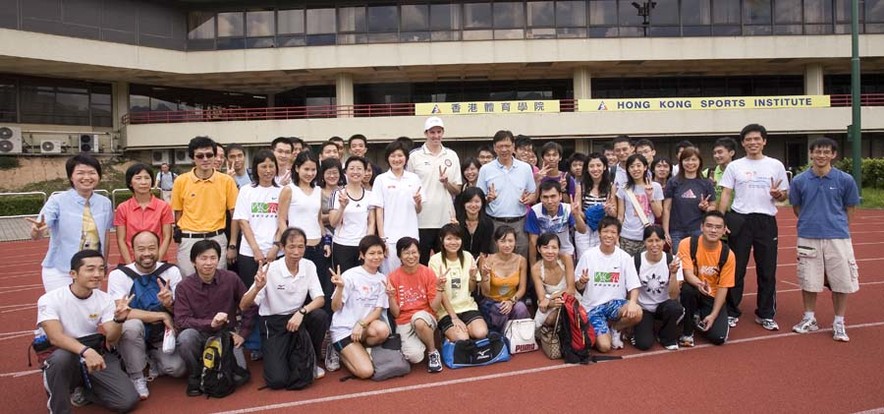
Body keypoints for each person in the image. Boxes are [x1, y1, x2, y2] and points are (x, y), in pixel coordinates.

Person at [38, 249, 140, 413]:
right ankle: (59, 409)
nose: (98, 274)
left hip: (93, 349)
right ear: (73, 273)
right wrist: (85, 351)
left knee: (127, 402)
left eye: (101, 269)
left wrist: (119, 319)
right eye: (90, 269)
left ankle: (85, 390)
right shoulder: (50, 299)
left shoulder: (104, 299)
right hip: (65, 351)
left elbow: (112, 337)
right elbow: (55, 337)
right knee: (59, 360)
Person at [789, 137, 860, 342]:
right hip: (808, 235)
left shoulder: (845, 180)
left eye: (826, 152)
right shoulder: (800, 180)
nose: (821, 155)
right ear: (811, 153)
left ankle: (839, 322)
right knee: (808, 279)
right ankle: (809, 318)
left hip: (837, 237)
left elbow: (850, 209)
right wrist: (812, 221)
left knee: (841, 281)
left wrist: (835, 225)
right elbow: (797, 208)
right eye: (817, 151)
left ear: (833, 155)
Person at [718, 123, 788, 330]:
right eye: (748, 140)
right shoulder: (735, 166)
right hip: (740, 219)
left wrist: (779, 195)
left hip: (765, 221)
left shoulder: (775, 165)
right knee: (736, 269)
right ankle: (731, 311)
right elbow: (726, 194)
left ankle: (765, 313)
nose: (753, 143)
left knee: (767, 269)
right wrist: (721, 221)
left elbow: (784, 194)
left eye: (757, 139)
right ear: (743, 143)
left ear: (764, 141)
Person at [239, 227, 330, 381]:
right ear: (282, 247)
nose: (296, 252)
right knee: (277, 380)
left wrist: (301, 312)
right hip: (273, 322)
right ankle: (285, 356)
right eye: (291, 247)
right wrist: (257, 289)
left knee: (319, 316)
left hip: (297, 317)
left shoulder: (309, 266)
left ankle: (310, 359)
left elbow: (320, 299)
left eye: (301, 247)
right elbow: (243, 305)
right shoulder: (269, 269)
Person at [107, 231, 185, 399]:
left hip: (160, 335)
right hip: (136, 331)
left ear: (159, 248)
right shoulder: (119, 275)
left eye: (152, 248)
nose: (147, 253)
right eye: (141, 249)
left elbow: (182, 311)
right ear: (132, 249)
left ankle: (150, 359)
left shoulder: (171, 271)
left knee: (177, 369)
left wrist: (169, 305)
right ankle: (136, 375)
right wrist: (161, 315)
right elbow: (123, 313)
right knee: (130, 325)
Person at [174, 239, 255, 397]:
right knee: (186, 338)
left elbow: (249, 306)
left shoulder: (231, 278)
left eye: (213, 258)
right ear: (193, 261)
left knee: (239, 375)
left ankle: (212, 367)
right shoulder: (184, 287)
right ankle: (196, 375)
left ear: (219, 259)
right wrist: (209, 323)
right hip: (198, 333)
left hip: (225, 334)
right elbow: (181, 320)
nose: (208, 263)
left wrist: (242, 334)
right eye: (203, 258)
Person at [28, 154, 113, 292]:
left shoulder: (105, 203)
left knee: (90, 311)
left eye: (92, 173)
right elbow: (39, 231)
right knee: (61, 311)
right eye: (80, 173)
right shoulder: (57, 201)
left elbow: (106, 235)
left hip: (93, 270)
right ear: (71, 177)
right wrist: (37, 230)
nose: (87, 177)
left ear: (99, 176)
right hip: (61, 270)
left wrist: (103, 263)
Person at [171, 136, 238, 277]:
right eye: (200, 156)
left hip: (217, 238)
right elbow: (178, 213)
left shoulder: (227, 181)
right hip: (189, 238)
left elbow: (234, 215)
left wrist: (232, 244)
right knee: (188, 282)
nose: (205, 159)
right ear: (192, 158)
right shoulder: (180, 181)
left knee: (217, 283)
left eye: (209, 155)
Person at [574, 216, 643, 353]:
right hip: (593, 308)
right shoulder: (588, 255)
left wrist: (632, 303)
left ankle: (616, 328)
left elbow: (634, 286)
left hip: (615, 304)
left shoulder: (624, 257)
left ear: (618, 235)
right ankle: (600, 328)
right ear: (599, 233)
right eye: (605, 231)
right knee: (605, 347)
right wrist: (582, 282)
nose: (609, 235)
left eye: (613, 232)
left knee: (637, 312)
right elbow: (578, 286)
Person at [327, 235, 391, 379]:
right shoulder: (350, 275)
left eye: (379, 253)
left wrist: (361, 324)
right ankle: (338, 349)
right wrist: (340, 288)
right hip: (344, 329)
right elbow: (335, 308)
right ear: (362, 255)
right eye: (371, 253)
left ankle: (359, 349)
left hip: (362, 328)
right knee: (366, 372)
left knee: (382, 330)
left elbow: (378, 310)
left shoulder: (382, 278)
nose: (376, 257)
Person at [278, 151, 332, 312]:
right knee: (298, 291)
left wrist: (326, 241)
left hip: (318, 246)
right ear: (297, 168)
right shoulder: (289, 190)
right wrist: (289, 244)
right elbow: (281, 219)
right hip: (298, 249)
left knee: (319, 289)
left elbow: (318, 220)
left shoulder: (318, 191)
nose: (310, 173)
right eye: (306, 169)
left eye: (313, 170)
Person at [407, 116, 462, 264]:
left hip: (445, 219)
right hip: (421, 220)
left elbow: (457, 189)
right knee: (421, 262)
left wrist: (446, 183)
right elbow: (408, 186)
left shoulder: (452, 155)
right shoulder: (414, 156)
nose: (436, 136)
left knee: (445, 262)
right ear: (426, 133)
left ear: (443, 133)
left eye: (439, 132)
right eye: (432, 132)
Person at [386, 237, 444, 373]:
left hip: (425, 316)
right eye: (406, 253)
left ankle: (432, 352)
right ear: (399, 256)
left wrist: (440, 288)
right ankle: (422, 339)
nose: (411, 256)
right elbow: (395, 314)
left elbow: (434, 307)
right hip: (404, 320)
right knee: (415, 357)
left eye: (414, 252)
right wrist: (391, 297)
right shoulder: (393, 277)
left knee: (418, 320)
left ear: (419, 253)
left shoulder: (427, 272)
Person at [677, 211, 735, 347]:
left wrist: (714, 315)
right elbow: (687, 273)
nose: (713, 230)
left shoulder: (728, 255)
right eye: (709, 226)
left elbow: (723, 287)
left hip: (712, 296)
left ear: (724, 230)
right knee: (687, 290)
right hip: (694, 290)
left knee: (718, 338)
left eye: (718, 227)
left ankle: (699, 315)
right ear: (701, 227)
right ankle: (687, 331)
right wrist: (699, 284)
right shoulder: (688, 244)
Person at [476, 130, 537, 257]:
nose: (504, 149)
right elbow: (478, 199)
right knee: (496, 259)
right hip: (495, 222)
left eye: (507, 146)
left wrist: (528, 198)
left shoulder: (525, 168)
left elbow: (533, 194)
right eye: (500, 146)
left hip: (519, 222)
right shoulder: (486, 169)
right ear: (494, 148)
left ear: (513, 147)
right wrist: (488, 198)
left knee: (521, 259)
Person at [372, 140, 425, 273]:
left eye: (400, 156)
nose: (397, 159)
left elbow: (418, 210)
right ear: (387, 158)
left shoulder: (414, 178)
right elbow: (379, 210)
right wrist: (382, 238)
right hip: (390, 238)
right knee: (390, 276)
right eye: (393, 156)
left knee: (411, 273)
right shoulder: (381, 179)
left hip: (411, 235)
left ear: (406, 158)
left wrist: (418, 202)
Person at [429, 224, 488, 342]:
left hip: (467, 306)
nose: (453, 242)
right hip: (446, 311)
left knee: (481, 333)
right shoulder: (435, 260)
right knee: (462, 338)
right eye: (449, 239)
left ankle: (462, 331)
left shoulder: (467, 256)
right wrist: (454, 317)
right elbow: (441, 292)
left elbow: (471, 289)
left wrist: (472, 277)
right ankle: (447, 335)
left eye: (457, 238)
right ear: (442, 240)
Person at [232, 149, 281, 288]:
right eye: (263, 166)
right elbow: (243, 222)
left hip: (276, 252)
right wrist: (255, 250)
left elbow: (284, 222)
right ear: (255, 168)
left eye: (271, 166)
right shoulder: (246, 190)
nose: (268, 170)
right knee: (251, 293)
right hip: (249, 253)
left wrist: (276, 247)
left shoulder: (283, 190)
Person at [632, 225, 684, 351]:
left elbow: (673, 295)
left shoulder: (673, 261)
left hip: (664, 306)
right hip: (644, 308)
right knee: (644, 344)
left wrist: (673, 273)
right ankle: (642, 329)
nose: (654, 245)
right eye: (650, 241)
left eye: (658, 240)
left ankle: (666, 336)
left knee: (675, 307)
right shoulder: (636, 260)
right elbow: (631, 289)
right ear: (644, 242)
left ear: (664, 241)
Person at [114, 163, 174, 265]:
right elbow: (121, 239)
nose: (143, 182)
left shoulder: (163, 207)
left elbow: (167, 237)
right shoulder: (122, 208)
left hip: (157, 261)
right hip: (130, 262)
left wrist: (156, 263)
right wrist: (130, 267)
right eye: (138, 178)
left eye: (147, 178)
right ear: (130, 183)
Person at [477, 226, 531, 333]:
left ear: (515, 242)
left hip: (512, 300)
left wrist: (511, 301)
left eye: (510, 241)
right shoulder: (487, 260)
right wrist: (485, 275)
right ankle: (501, 338)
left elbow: (522, 289)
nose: (507, 245)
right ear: (496, 243)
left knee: (521, 308)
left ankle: (518, 337)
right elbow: (485, 292)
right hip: (493, 302)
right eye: (503, 241)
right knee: (501, 310)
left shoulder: (521, 260)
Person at [330, 156, 378, 273]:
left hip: (362, 246)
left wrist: (367, 244)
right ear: (345, 171)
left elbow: (371, 222)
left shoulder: (370, 195)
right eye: (352, 168)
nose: (355, 172)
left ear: (365, 172)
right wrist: (342, 206)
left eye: (359, 169)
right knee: (344, 281)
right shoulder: (337, 194)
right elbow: (333, 223)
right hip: (342, 245)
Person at [663, 147, 717, 250]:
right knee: (679, 262)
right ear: (681, 162)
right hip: (676, 232)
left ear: (699, 162)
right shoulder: (673, 182)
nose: (690, 163)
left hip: (699, 230)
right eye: (686, 160)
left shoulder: (706, 183)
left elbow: (713, 207)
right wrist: (666, 232)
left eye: (694, 159)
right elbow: (666, 208)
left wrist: (706, 208)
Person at [525, 181, 586, 268]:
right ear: (540, 198)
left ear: (560, 196)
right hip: (545, 253)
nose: (549, 201)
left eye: (553, 196)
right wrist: (533, 266)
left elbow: (582, 230)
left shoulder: (568, 209)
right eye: (545, 197)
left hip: (566, 252)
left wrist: (576, 215)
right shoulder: (534, 211)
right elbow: (533, 242)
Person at [617, 154, 664, 256]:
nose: (635, 169)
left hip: (648, 236)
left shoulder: (655, 187)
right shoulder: (623, 188)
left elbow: (659, 213)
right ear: (628, 169)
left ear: (645, 167)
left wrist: (650, 196)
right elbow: (620, 215)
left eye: (639, 166)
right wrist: (617, 236)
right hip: (627, 236)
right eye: (632, 166)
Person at [575, 152, 617, 258]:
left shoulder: (611, 187)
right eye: (591, 166)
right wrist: (591, 215)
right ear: (587, 169)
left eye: (598, 165)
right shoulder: (581, 186)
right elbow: (578, 211)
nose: (595, 169)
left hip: (604, 228)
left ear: (604, 167)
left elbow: (614, 213)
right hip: (585, 228)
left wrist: (609, 210)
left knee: (603, 257)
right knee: (584, 258)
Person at [530, 233, 575, 330]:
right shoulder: (536, 269)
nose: (550, 252)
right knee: (547, 320)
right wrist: (552, 303)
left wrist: (550, 298)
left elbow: (571, 290)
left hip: (569, 298)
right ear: (539, 249)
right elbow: (542, 299)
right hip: (551, 301)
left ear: (559, 249)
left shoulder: (566, 259)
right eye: (545, 247)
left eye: (554, 248)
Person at [456, 186, 494, 259]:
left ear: (482, 203)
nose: (473, 205)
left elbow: (484, 249)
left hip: (480, 260)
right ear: (464, 203)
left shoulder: (487, 223)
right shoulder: (457, 221)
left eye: (477, 201)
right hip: (459, 259)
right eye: (469, 201)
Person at [705, 137, 738, 206]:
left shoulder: (740, 172)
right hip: (714, 213)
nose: (716, 156)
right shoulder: (708, 172)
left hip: (736, 213)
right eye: (714, 153)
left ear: (731, 153)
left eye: (720, 152)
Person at [319, 158, 343, 236]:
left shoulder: (345, 191)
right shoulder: (318, 192)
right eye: (328, 173)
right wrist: (335, 216)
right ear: (323, 174)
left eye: (335, 173)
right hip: (323, 234)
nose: (332, 176)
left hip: (344, 234)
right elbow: (317, 217)